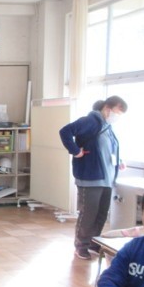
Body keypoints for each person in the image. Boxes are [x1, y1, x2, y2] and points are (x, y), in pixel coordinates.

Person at [59, 95, 128, 260]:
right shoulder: (90, 121)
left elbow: (108, 149)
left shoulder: (108, 126)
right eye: (117, 112)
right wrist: (76, 151)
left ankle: (93, 242)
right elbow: (65, 131)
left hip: (107, 178)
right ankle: (81, 245)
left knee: (101, 214)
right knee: (88, 214)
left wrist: (118, 161)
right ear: (107, 108)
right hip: (90, 177)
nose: (117, 116)